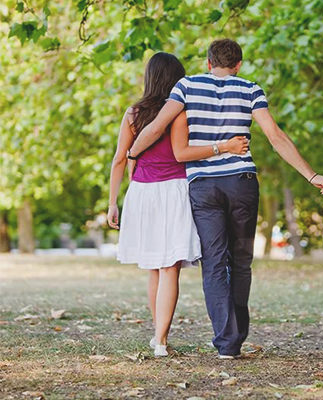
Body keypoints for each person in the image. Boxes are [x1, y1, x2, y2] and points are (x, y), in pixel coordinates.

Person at [128, 39, 323, 359]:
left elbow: (156, 128)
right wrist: (312, 175)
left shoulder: (187, 86)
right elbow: (276, 137)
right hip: (242, 183)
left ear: (208, 63)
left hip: (204, 187)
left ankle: (226, 343)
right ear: (238, 65)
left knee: (214, 263)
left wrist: (132, 154)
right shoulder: (251, 89)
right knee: (240, 262)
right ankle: (236, 339)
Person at [107, 52, 250, 357]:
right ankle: (160, 341)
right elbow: (181, 153)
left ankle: (158, 336)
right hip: (174, 191)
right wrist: (224, 147)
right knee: (169, 269)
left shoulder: (133, 114)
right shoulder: (181, 111)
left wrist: (112, 203)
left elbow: (120, 158)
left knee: (153, 268)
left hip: (141, 193)